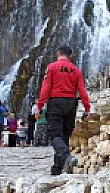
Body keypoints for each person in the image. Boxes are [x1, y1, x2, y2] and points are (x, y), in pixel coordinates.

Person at [37, 46, 91, 175]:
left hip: (56, 102)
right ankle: (57, 168)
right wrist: (87, 107)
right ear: (70, 56)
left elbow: (46, 87)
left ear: (57, 54)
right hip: (71, 104)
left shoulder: (52, 67)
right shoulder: (76, 70)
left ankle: (66, 157)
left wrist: (40, 106)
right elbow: (82, 90)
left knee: (55, 134)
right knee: (65, 135)